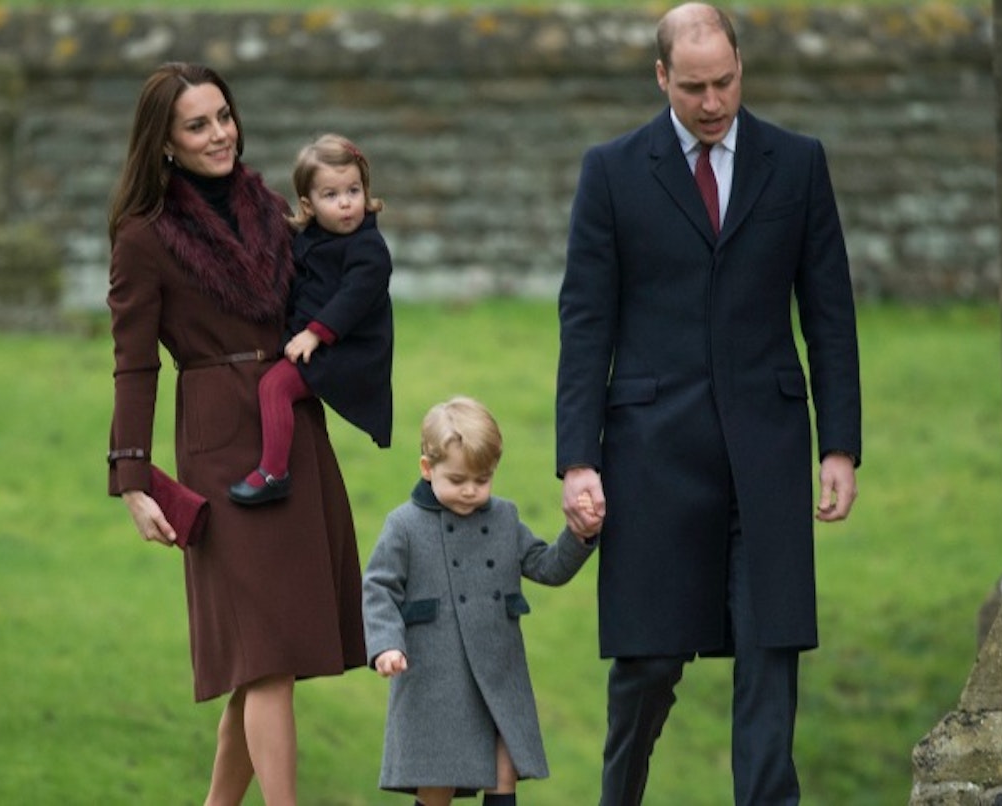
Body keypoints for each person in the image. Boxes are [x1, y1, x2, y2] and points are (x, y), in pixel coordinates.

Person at [555, 5, 862, 805]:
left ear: (740, 70)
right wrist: (578, 459)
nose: (713, 100)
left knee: (770, 653)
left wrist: (840, 445)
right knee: (648, 664)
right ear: (662, 78)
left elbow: (828, 311)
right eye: (693, 86)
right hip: (652, 451)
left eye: (724, 81)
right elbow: (586, 322)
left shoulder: (797, 164)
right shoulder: (613, 171)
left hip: (767, 447)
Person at [105, 62, 365, 806]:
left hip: (294, 432)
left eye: (224, 116)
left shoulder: (274, 207)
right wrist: (132, 477)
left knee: (262, 662)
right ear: (165, 143)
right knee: (266, 658)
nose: (220, 133)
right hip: (219, 446)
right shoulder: (143, 237)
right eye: (197, 123)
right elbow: (132, 365)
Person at [362, 396, 601, 806]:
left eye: (483, 478)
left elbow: (547, 567)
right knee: (436, 784)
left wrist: (579, 534)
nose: (471, 491)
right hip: (435, 676)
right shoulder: (403, 525)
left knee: (503, 770)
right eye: (457, 480)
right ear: (427, 468)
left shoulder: (504, 518)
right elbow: (379, 587)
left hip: (499, 672)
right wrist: (386, 644)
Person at [228, 132, 394, 505]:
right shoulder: (311, 238)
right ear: (308, 204)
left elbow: (353, 298)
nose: (347, 204)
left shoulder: (369, 248)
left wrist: (315, 334)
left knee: (275, 387)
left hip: (347, 351)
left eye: (353, 190)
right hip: (315, 341)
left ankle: (274, 473)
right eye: (331, 196)